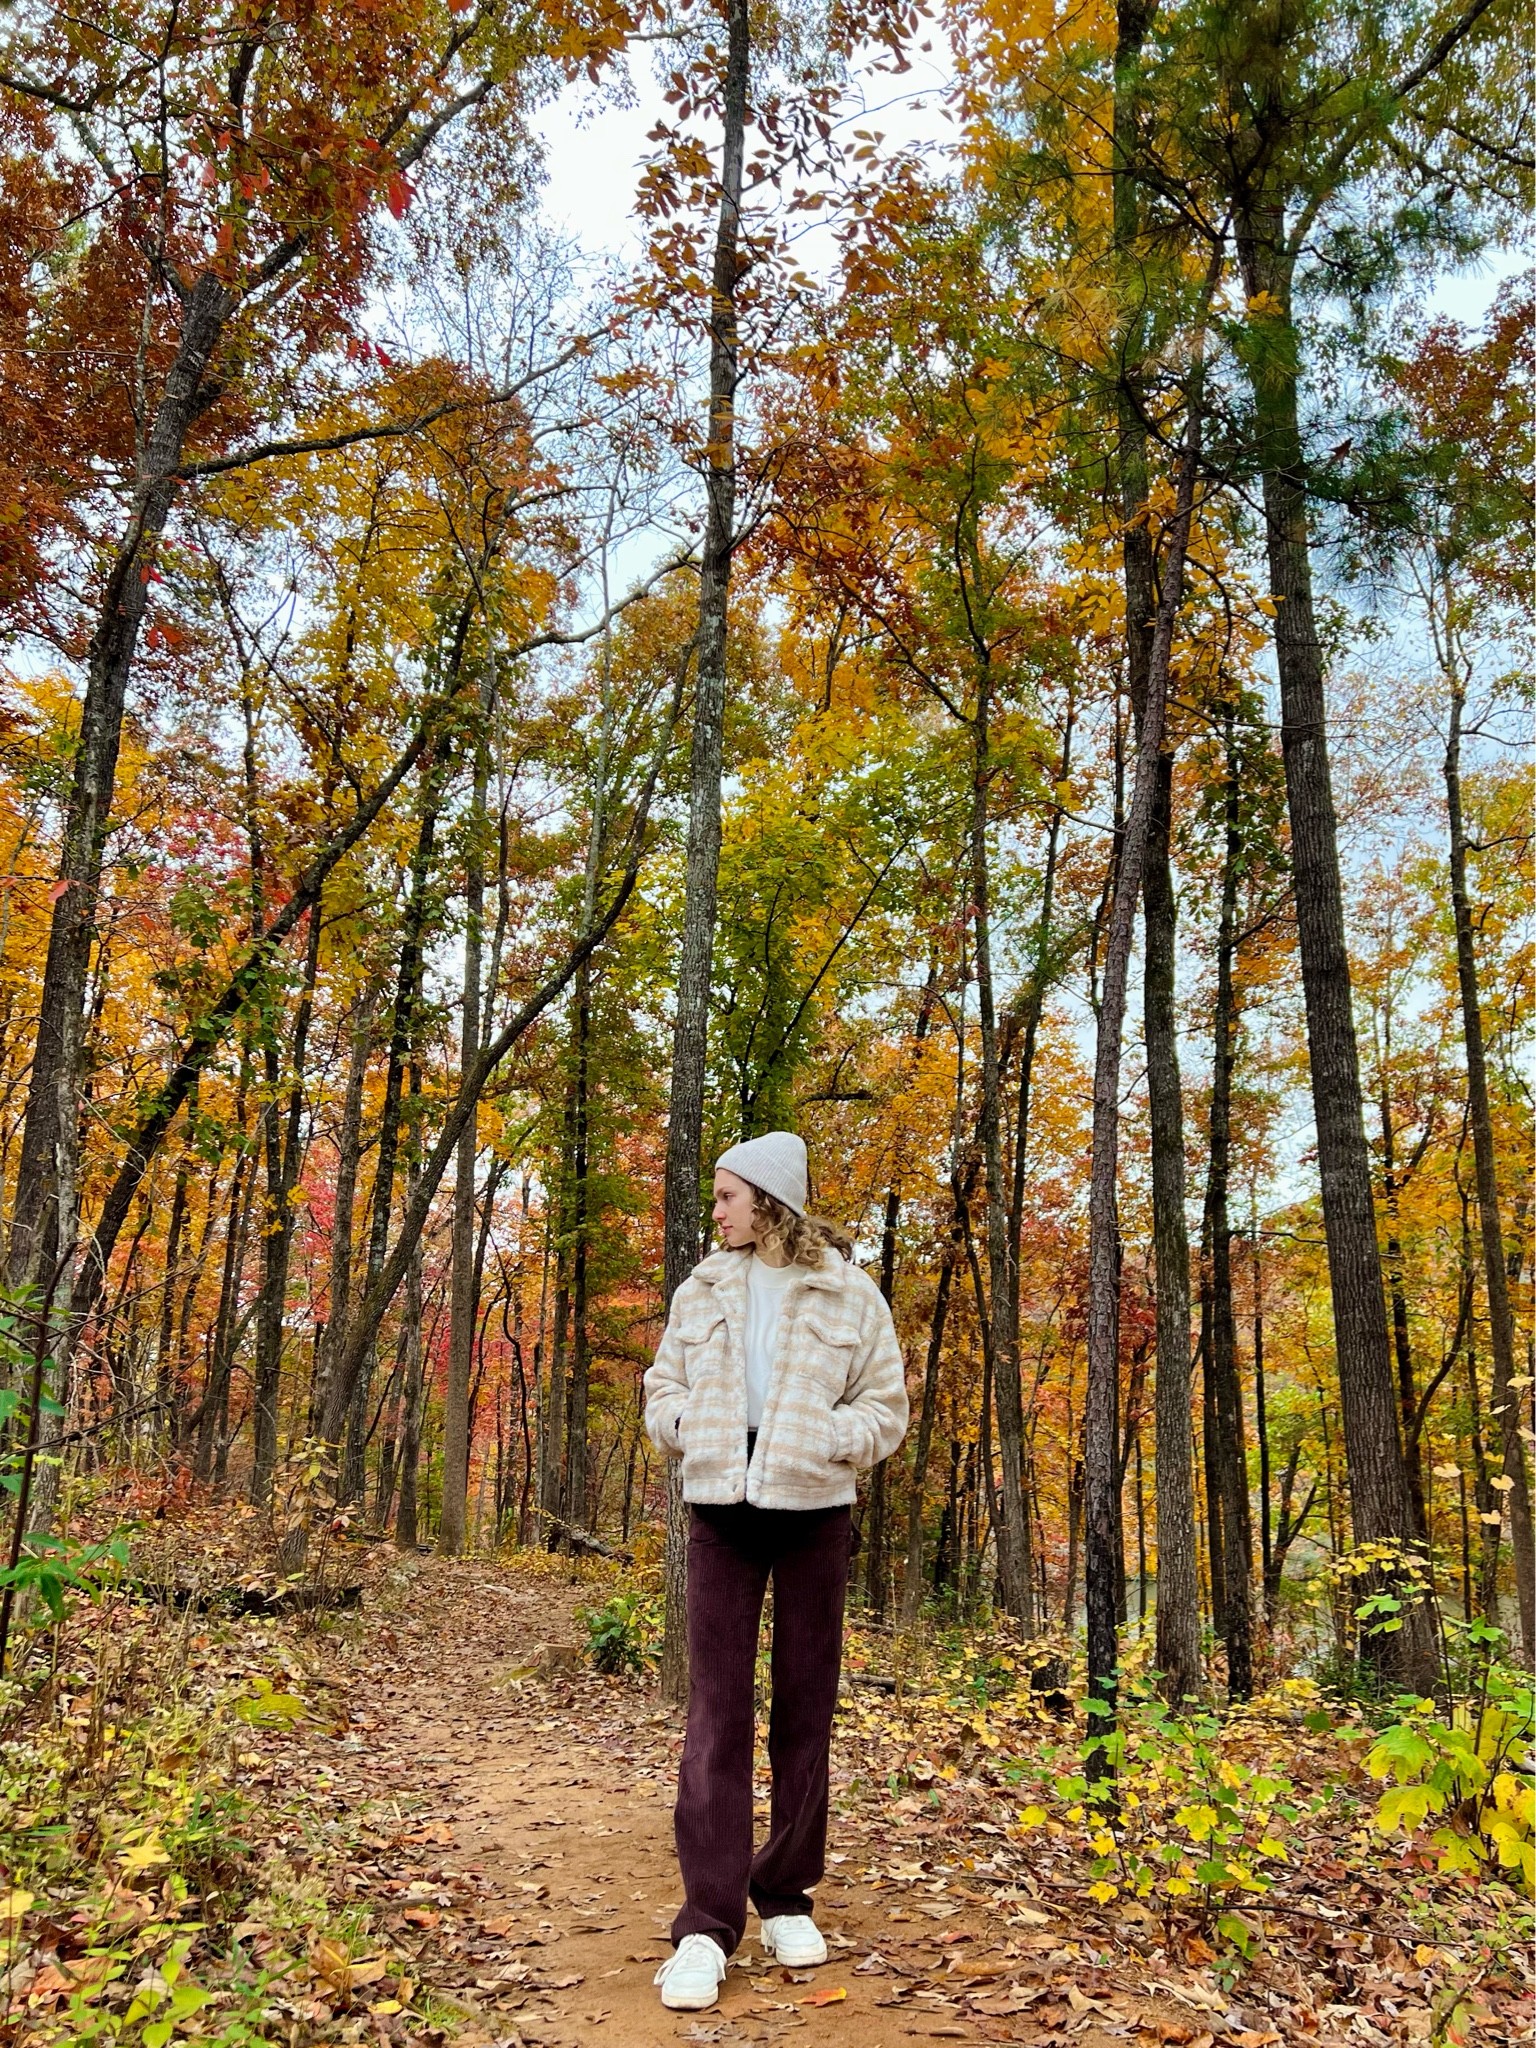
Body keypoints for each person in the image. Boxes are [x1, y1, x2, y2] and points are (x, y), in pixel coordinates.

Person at [642, 1130, 909, 2013]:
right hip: (720, 1507)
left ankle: (785, 1894)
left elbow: (885, 1406)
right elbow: (662, 1386)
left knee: (806, 1707)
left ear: (768, 1199)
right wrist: (686, 1428)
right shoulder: (704, 1286)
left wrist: (829, 1441)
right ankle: (706, 1926)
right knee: (717, 1712)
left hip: (814, 1513)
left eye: (726, 1196)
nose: (715, 1211)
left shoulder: (847, 1291)